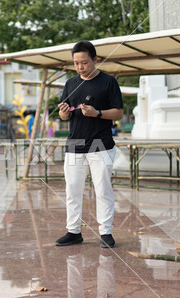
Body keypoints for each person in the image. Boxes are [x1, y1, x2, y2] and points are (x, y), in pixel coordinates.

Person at [56, 40, 123, 248]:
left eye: (84, 62)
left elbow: (118, 112)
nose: (80, 67)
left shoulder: (108, 82)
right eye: (76, 63)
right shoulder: (70, 83)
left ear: (95, 59)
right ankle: (73, 231)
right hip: (75, 144)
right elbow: (63, 116)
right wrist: (63, 113)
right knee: (73, 190)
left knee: (103, 190)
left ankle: (106, 232)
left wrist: (98, 113)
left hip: (100, 144)